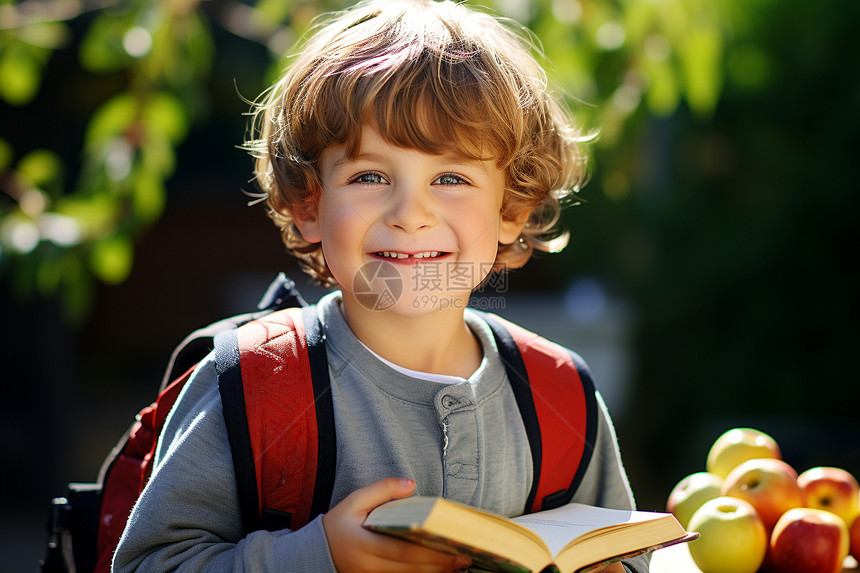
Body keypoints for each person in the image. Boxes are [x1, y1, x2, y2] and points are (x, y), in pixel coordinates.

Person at [113, 0, 647, 571]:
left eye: (451, 177)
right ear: (308, 204)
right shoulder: (252, 386)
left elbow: (624, 552)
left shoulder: (559, 394)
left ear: (511, 210)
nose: (410, 213)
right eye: (370, 175)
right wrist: (318, 556)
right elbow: (149, 562)